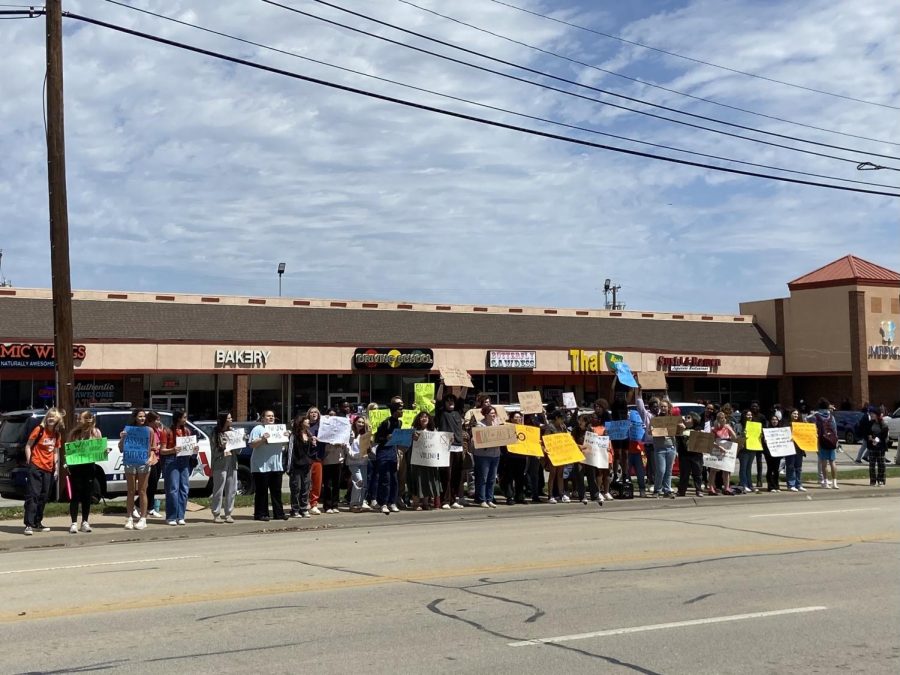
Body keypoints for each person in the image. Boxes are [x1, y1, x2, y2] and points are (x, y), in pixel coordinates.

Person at [23, 407, 64, 535]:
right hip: (36, 465)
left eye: (54, 416)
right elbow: (28, 445)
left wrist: (56, 467)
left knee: (44, 496)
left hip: (49, 468)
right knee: (33, 495)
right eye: (49, 416)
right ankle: (28, 524)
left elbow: (56, 451)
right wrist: (30, 461)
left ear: (58, 420)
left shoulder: (57, 434)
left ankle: (37, 522)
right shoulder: (39, 430)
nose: (51, 418)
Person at [65, 411, 105, 533]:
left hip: (89, 467)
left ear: (87, 420)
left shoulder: (95, 432)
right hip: (76, 467)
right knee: (75, 495)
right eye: (77, 419)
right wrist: (67, 462)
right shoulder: (74, 433)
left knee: (87, 495)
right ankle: (73, 522)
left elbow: (100, 449)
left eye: (80, 419)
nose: (77, 421)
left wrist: (104, 451)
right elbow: (68, 449)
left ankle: (85, 521)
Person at [118, 408, 157, 530]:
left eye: (144, 416)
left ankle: (143, 518)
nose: (142, 418)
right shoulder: (128, 430)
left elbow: (153, 448)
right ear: (135, 417)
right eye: (140, 416)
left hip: (143, 462)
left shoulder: (149, 430)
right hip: (130, 461)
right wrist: (123, 438)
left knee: (142, 491)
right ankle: (129, 517)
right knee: (130, 491)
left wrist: (151, 458)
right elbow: (121, 448)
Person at [248, 410, 288, 521]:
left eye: (273, 416)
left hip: (276, 465)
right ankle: (261, 514)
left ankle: (279, 513)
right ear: (262, 418)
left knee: (276, 491)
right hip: (261, 466)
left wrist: (285, 437)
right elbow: (252, 444)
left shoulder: (278, 429)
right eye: (268, 416)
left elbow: (283, 445)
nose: (271, 418)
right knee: (262, 491)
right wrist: (262, 439)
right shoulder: (258, 429)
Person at [645, 399, 682, 499]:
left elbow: (679, 432)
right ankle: (657, 489)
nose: (663, 408)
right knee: (661, 470)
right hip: (659, 448)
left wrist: (681, 427)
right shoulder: (655, 419)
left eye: (665, 406)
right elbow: (649, 432)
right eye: (661, 406)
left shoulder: (672, 419)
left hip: (671, 447)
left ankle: (667, 490)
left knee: (668, 471)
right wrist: (652, 430)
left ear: (668, 407)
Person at [162, 410, 193, 526]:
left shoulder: (187, 431)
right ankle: (171, 516)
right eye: (184, 417)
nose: (185, 420)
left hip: (184, 460)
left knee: (184, 489)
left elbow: (189, 448)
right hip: (172, 460)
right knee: (173, 489)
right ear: (178, 418)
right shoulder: (167, 431)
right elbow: (162, 450)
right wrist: (172, 450)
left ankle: (181, 516)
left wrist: (193, 450)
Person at [436, 394, 466, 509]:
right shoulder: (442, 413)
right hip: (446, 447)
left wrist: (465, 384)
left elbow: (462, 398)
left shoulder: (458, 412)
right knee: (446, 475)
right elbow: (438, 399)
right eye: (448, 401)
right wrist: (442, 383)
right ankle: (445, 501)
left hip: (458, 447)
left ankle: (454, 500)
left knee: (456, 475)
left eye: (452, 401)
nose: (450, 403)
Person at [373, 401, 404, 514]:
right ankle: (383, 503)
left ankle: (392, 502)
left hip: (393, 452)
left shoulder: (400, 423)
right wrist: (386, 437)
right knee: (385, 479)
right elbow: (377, 438)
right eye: (400, 410)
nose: (402, 412)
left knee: (394, 479)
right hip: (383, 452)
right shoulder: (386, 423)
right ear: (395, 411)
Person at [409, 411, 442, 510]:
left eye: (426, 417)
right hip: (416, 461)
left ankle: (425, 503)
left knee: (428, 480)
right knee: (417, 480)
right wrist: (412, 438)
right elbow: (407, 443)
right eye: (422, 417)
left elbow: (439, 444)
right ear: (418, 419)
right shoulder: (413, 430)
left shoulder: (433, 431)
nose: (424, 419)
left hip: (429, 461)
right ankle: (416, 503)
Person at [209, 410, 238, 523]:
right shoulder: (215, 433)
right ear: (224, 420)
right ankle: (216, 514)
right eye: (229, 418)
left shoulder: (234, 432)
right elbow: (214, 451)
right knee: (218, 489)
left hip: (232, 463)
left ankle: (228, 514)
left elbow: (239, 450)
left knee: (232, 489)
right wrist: (223, 448)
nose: (231, 420)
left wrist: (240, 441)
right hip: (220, 464)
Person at [473, 405, 503, 508]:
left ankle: (490, 499)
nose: (493, 415)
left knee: (491, 478)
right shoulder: (480, 425)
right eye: (491, 413)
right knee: (483, 478)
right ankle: (482, 499)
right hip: (483, 455)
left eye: (494, 413)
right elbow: (478, 440)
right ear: (486, 414)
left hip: (495, 455)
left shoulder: (498, 424)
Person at [287, 413, 315, 518]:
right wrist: (289, 467)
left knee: (306, 487)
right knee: (296, 488)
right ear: (301, 422)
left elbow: (311, 452)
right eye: (306, 420)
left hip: (306, 465)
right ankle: (295, 509)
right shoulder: (293, 436)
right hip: (296, 466)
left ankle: (304, 508)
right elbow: (290, 452)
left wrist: (313, 444)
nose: (308, 421)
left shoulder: (309, 434)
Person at [143, 411, 168, 519]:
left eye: (159, 419)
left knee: (153, 485)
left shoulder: (158, 430)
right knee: (151, 486)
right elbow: (148, 445)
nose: (159, 422)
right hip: (151, 460)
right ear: (150, 421)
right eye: (157, 420)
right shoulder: (148, 431)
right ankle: (148, 507)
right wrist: (156, 447)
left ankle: (144, 506)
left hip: (158, 459)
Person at [571, 413, 601, 504]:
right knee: (579, 476)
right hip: (579, 456)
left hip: (589, 457)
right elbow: (571, 441)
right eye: (579, 420)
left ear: (586, 422)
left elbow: (594, 443)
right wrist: (579, 446)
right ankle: (582, 496)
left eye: (581, 421)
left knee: (591, 475)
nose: (579, 422)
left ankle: (595, 495)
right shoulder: (575, 430)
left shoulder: (590, 430)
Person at [321, 416, 347, 515]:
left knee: (337, 484)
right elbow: (322, 446)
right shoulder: (324, 433)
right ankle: (327, 505)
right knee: (327, 484)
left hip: (339, 460)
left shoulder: (342, 432)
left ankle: (335, 505)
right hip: (327, 460)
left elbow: (346, 443)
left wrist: (343, 445)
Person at [501, 410, 527, 505]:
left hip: (521, 457)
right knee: (509, 478)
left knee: (520, 478)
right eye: (516, 417)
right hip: (510, 457)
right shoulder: (507, 428)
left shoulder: (524, 429)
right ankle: (510, 497)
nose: (518, 419)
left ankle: (520, 496)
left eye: (519, 417)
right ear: (511, 419)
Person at [543, 409, 569, 503]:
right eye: (562, 419)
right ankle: (550, 496)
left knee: (560, 474)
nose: (563, 421)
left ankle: (561, 494)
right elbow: (545, 439)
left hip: (561, 453)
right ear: (557, 418)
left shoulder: (563, 427)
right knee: (553, 474)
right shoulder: (550, 427)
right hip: (553, 454)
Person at [708, 411, 737, 495]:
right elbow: (710, 441)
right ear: (717, 419)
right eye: (720, 418)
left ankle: (727, 487)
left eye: (723, 418)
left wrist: (729, 428)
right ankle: (711, 488)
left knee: (726, 470)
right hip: (716, 449)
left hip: (726, 449)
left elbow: (734, 437)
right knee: (714, 469)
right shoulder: (713, 429)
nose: (722, 420)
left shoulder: (727, 427)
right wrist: (719, 447)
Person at [346, 416, 372, 512]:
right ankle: (353, 504)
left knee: (363, 483)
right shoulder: (350, 434)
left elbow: (368, 448)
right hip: (353, 462)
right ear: (354, 422)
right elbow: (347, 447)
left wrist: (367, 451)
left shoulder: (365, 434)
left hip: (363, 462)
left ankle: (360, 503)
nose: (361, 424)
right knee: (359, 481)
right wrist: (357, 455)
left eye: (362, 422)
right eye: (359, 422)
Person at [813, 398, 839, 489]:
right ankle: (834, 482)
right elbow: (835, 429)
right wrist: (836, 440)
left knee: (824, 463)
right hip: (831, 440)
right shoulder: (831, 416)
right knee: (832, 462)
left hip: (822, 440)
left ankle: (825, 482)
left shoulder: (816, 416)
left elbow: (806, 420)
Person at [676, 412, 704, 497]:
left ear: (694, 420)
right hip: (684, 455)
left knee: (697, 473)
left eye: (688, 418)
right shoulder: (681, 429)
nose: (685, 419)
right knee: (684, 474)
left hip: (696, 455)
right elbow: (678, 440)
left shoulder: (697, 430)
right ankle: (681, 490)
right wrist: (681, 430)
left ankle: (698, 490)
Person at [862, 405, 888, 486]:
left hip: (880, 447)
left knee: (881, 465)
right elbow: (867, 432)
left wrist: (877, 440)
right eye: (870, 414)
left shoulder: (883, 424)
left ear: (876, 414)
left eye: (872, 414)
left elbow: (884, 436)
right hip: (872, 447)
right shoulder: (870, 423)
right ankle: (873, 481)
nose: (871, 415)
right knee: (872, 465)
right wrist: (869, 437)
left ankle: (881, 480)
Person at [306, 407, 325, 515]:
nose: (314, 414)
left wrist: (320, 440)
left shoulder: (322, 427)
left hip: (318, 458)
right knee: (306, 483)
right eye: (311, 412)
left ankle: (314, 504)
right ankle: (304, 504)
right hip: (307, 458)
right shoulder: (305, 426)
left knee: (317, 483)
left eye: (316, 412)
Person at [784, 409, 806, 492]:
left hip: (799, 449)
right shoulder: (786, 424)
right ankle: (791, 484)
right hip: (790, 449)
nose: (796, 415)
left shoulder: (801, 425)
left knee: (799, 468)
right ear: (790, 414)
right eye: (794, 413)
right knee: (790, 467)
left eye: (797, 414)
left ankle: (799, 484)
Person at [736, 409, 756, 493]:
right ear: (744, 416)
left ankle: (749, 484)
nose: (750, 416)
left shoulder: (754, 425)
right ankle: (743, 484)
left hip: (752, 448)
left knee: (749, 468)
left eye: (751, 415)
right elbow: (737, 436)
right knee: (743, 468)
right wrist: (742, 436)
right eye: (748, 415)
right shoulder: (739, 425)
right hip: (743, 450)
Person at [762, 412, 782, 492]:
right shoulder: (766, 430)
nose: (774, 421)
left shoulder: (781, 430)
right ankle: (770, 486)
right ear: (770, 421)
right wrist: (764, 441)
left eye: (776, 420)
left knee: (776, 470)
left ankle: (776, 486)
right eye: (773, 420)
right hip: (769, 453)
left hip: (778, 453)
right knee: (770, 469)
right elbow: (762, 441)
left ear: (778, 421)